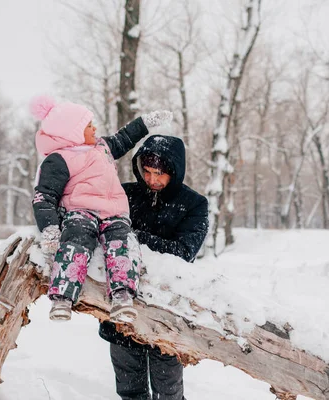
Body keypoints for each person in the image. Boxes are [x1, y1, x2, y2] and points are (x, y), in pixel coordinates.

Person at [30, 95, 172, 322]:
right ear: (71, 132)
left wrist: (145, 123)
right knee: (76, 238)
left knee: (123, 242)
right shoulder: (59, 159)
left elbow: (125, 138)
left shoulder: (102, 147)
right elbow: (44, 196)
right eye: (88, 125)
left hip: (114, 212)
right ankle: (63, 297)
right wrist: (50, 228)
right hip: (80, 210)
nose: (94, 128)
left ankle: (122, 294)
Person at [99, 134, 209, 400]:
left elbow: (183, 252)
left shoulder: (194, 204)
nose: (151, 180)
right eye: (146, 172)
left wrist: (130, 238)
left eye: (159, 174)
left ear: (174, 171)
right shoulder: (124, 193)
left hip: (166, 307)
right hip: (122, 307)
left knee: (168, 391)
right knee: (130, 390)